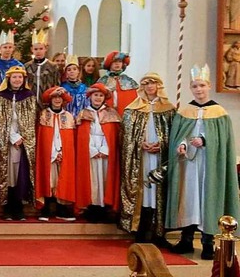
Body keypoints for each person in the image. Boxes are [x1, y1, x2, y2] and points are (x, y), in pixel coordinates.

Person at [165, 64, 240, 260]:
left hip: (209, 165)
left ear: (208, 86)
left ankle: (208, 242)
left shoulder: (219, 112)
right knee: (189, 199)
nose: (198, 90)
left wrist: (205, 141)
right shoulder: (185, 111)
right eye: (195, 86)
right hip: (189, 164)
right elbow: (179, 135)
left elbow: (224, 141)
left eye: (202, 85)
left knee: (208, 198)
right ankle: (186, 239)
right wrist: (181, 145)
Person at [120, 73, 175, 245]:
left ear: (159, 86)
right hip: (141, 157)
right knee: (144, 191)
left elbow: (175, 135)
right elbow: (126, 136)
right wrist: (139, 144)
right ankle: (141, 231)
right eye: (147, 83)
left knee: (158, 190)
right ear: (142, 86)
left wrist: (162, 145)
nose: (150, 86)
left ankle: (159, 234)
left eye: (154, 83)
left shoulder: (169, 109)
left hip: (159, 157)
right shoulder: (133, 109)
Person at [75, 83, 121, 223]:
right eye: (96, 95)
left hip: (106, 153)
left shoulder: (111, 113)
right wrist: (93, 150)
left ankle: (105, 208)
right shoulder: (84, 113)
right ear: (90, 96)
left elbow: (113, 135)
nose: (98, 98)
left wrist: (104, 150)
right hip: (90, 153)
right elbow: (82, 136)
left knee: (105, 180)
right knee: (92, 180)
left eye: (101, 95)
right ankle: (93, 207)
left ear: (104, 98)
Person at [0, 66, 36, 221]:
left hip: (24, 142)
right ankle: (7, 206)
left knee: (20, 172)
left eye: (20, 77)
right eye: (14, 77)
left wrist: (24, 137)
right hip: (6, 141)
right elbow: (0, 122)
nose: (17, 80)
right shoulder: (1, 97)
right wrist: (12, 137)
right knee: (8, 173)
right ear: (8, 79)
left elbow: (30, 121)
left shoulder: (29, 96)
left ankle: (19, 206)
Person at [35, 87, 76, 222]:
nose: (57, 100)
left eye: (60, 98)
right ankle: (45, 208)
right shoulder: (43, 115)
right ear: (50, 100)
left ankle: (61, 209)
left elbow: (69, 139)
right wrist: (53, 153)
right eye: (55, 97)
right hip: (48, 154)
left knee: (61, 179)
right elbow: (44, 139)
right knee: (48, 179)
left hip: (63, 154)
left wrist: (63, 152)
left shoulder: (69, 117)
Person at [24, 30, 60, 109]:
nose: (38, 51)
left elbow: (56, 85)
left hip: (47, 102)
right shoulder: (27, 66)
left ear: (45, 49)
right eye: (36, 49)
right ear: (32, 49)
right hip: (30, 103)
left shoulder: (53, 66)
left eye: (41, 48)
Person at [97, 51, 138, 116]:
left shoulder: (129, 81)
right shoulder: (102, 81)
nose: (117, 64)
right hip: (107, 116)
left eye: (120, 62)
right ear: (109, 63)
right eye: (115, 62)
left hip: (125, 115)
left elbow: (134, 101)